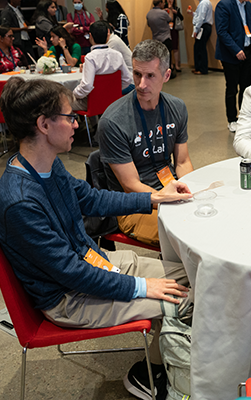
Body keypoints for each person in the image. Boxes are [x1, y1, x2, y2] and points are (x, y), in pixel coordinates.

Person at [0, 77, 193, 400]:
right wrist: (140, 287)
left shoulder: (45, 165)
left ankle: (162, 359)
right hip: (69, 299)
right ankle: (149, 376)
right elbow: (72, 274)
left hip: (90, 266)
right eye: (70, 117)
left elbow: (92, 198)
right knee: (180, 298)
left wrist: (155, 198)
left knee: (191, 276)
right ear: (44, 124)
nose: (76, 123)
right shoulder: (19, 203)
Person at [98, 40, 193, 247]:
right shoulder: (113, 121)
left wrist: (189, 194)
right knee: (188, 234)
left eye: (150, 76)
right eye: (137, 74)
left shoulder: (177, 108)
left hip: (169, 188)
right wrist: (166, 199)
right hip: (132, 205)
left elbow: (183, 162)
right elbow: (130, 185)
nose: (141, 84)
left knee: (205, 218)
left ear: (166, 76)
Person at [215, 0, 251, 133]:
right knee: (232, 88)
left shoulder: (248, 5)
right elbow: (222, 32)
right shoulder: (224, 5)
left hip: (247, 52)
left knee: (246, 88)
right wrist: (235, 50)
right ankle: (232, 119)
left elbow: (249, 28)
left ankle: (245, 117)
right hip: (230, 54)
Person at [72, 21, 134, 111]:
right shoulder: (117, 55)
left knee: (66, 101)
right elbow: (127, 78)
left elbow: (87, 86)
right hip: (113, 98)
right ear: (108, 34)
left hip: (95, 101)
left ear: (91, 36)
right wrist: (114, 91)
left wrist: (74, 94)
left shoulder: (90, 57)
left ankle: (88, 124)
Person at [147, 0, 176, 79]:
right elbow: (171, 18)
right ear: (160, 3)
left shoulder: (149, 14)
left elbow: (149, 25)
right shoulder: (163, 13)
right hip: (165, 38)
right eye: (163, 2)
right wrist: (170, 8)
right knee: (167, 58)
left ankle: (160, 74)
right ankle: (169, 75)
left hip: (156, 39)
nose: (164, 4)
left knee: (159, 58)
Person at [0, 0, 34, 64]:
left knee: (31, 58)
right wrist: (21, 29)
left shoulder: (19, 9)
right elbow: (5, 28)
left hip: (25, 37)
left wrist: (28, 26)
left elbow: (22, 21)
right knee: (23, 60)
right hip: (17, 40)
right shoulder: (6, 11)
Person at [189, 0, 213, 75]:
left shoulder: (203, 3)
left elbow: (201, 17)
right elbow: (199, 15)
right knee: (199, 47)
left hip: (203, 27)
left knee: (200, 48)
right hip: (204, 26)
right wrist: (192, 13)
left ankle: (202, 69)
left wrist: (196, 29)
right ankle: (199, 67)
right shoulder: (206, 2)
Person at [167, 0, 183, 72]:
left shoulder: (176, 8)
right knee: (168, 48)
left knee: (175, 47)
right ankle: (171, 65)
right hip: (166, 30)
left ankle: (177, 65)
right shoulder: (163, 8)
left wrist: (175, 12)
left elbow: (182, 17)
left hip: (174, 29)